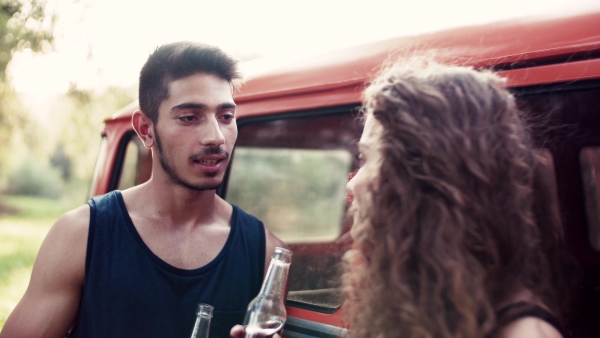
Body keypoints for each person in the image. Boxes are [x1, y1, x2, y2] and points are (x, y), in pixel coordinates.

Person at [0, 41, 286, 338]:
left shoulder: (263, 252)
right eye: (189, 117)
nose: (216, 136)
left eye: (226, 117)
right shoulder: (81, 235)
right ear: (146, 129)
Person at [342, 58, 574, 338]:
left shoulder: (523, 333)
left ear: (421, 178)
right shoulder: (437, 290)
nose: (353, 183)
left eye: (366, 158)